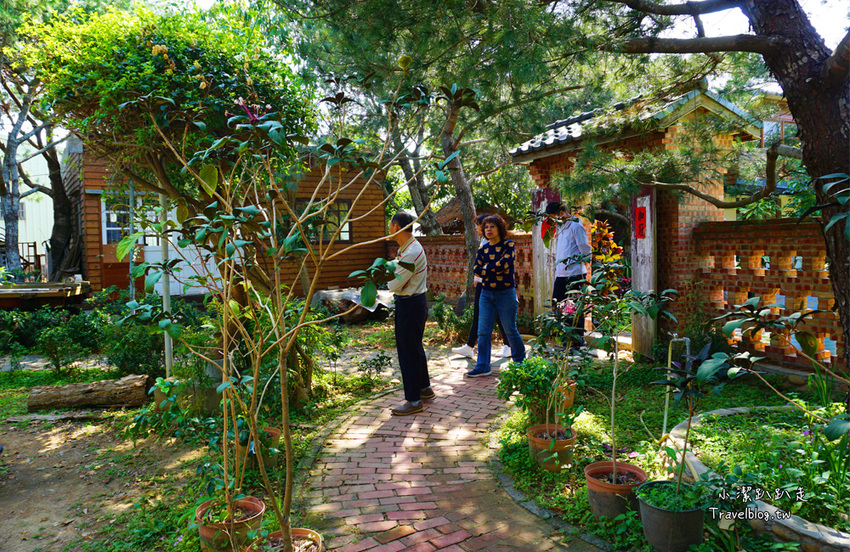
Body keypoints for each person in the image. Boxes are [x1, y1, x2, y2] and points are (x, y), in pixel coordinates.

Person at [466, 214, 526, 377]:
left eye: (492, 226)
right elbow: (476, 270)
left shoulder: (508, 245)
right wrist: (490, 268)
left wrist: (486, 268)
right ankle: (483, 365)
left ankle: (520, 362)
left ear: (499, 228)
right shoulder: (483, 249)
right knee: (483, 331)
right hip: (486, 294)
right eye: (486, 227)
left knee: (510, 330)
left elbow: (505, 266)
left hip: (505, 294)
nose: (489, 229)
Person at [386, 212, 433, 415]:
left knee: (408, 351)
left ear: (396, 227)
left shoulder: (411, 252)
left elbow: (394, 284)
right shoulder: (407, 249)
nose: (388, 228)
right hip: (413, 302)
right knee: (414, 347)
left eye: (390, 224)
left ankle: (413, 401)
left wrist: (387, 273)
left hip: (410, 303)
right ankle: (424, 388)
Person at [451, 214, 511, 359]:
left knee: (483, 314)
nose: (479, 228)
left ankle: (472, 346)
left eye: (480, 225)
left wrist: (481, 275)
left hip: (489, 284)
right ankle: (504, 345)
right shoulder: (484, 241)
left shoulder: (494, 243)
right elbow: (479, 265)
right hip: (483, 282)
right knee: (491, 314)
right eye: (483, 226)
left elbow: (493, 265)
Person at [546, 201, 591, 350]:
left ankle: (578, 342)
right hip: (561, 274)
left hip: (575, 274)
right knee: (558, 305)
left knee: (576, 308)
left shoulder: (576, 227)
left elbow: (585, 250)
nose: (552, 221)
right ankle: (566, 338)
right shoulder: (561, 228)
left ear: (561, 213)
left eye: (553, 217)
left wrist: (580, 265)